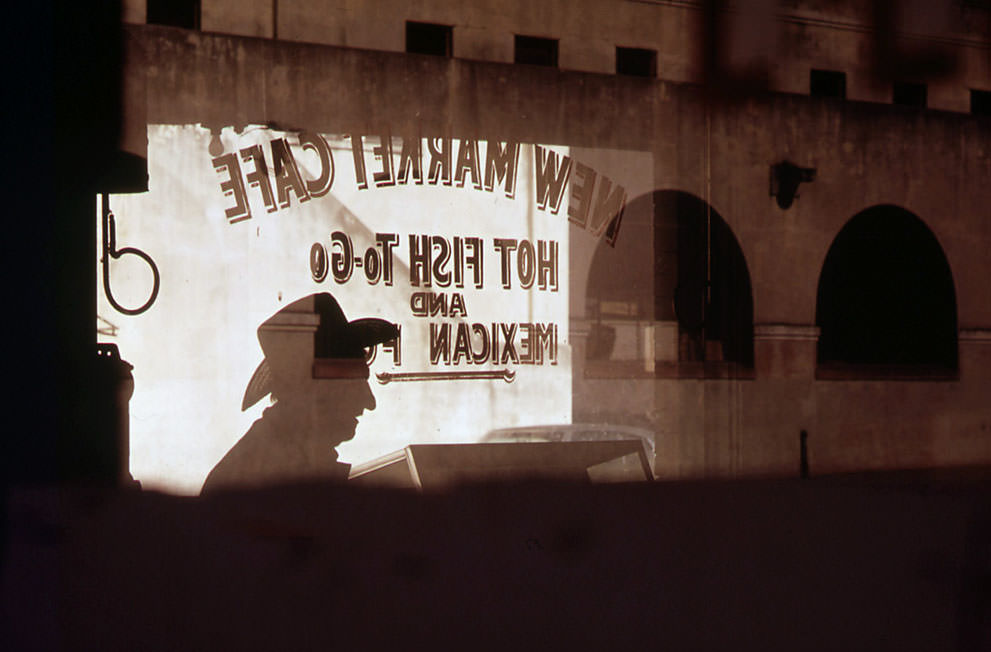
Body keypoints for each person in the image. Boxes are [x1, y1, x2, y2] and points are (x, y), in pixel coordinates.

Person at [200, 293, 398, 494]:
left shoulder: (285, 462)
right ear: (310, 392)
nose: (370, 402)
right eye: (354, 383)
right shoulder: (265, 483)